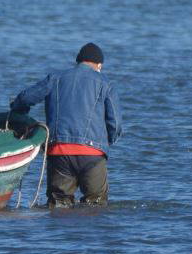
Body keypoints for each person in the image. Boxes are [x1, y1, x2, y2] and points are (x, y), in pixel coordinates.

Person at [10, 42, 121, 208]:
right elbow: (115, 124)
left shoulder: (56, 78)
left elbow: (26, 98)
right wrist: (105, 143)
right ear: (99, 65)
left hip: (59, 152)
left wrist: (19, 111)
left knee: (59, 206)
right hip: (93, 154)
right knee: (96, 207)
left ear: (78, 61)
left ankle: (61, 233)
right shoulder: (105, 83)